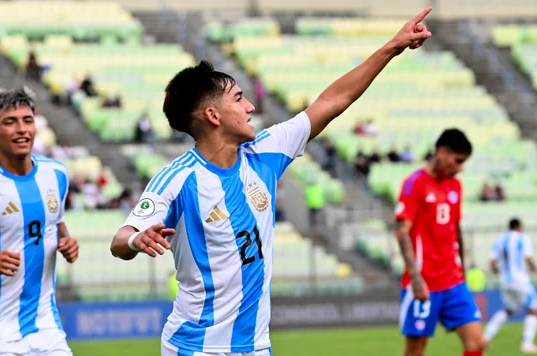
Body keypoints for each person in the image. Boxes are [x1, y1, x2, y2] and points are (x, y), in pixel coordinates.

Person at [110, 8, 433, 356]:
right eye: (238, 98)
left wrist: (392, 47)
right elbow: (119, 240)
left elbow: (333, 100)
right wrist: (137, 239)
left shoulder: (265, 152)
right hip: (195, 347)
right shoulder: (178, 179)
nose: (250, 106)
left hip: (255, 347)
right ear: (213, 115)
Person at [395, 128, 488, 356]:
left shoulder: (455, 185)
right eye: (457, 161)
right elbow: (401, 231)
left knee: (476, 343)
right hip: (424, 283)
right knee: (416, 350)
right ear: (442, 152)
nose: (460, 168)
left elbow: (456, 231)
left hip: (453, 282)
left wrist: (463, 275)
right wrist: (416, 280)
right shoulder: (414, 183)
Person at [0, 87, 79, 355]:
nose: (21, 129)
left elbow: (56, 225)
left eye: (27, 120)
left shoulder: (55, 174)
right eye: (10, 122)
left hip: (46, 327)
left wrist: (67, 241)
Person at [484, 218, 537, 353]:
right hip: (519, 279)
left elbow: (492, 262)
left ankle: (484, 337)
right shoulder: (522, 238)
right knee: (533, 308)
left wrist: (499, 272)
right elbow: (528, 258)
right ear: (519, 227)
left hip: (505, 280)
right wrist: (534, 268)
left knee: (509, 310)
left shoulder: (500, 240)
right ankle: (527, 343)